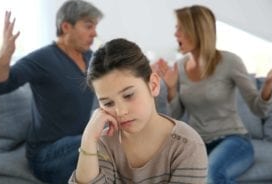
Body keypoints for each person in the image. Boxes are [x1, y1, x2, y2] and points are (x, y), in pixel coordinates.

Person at [152, 5, 272, 183]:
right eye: (176, 28)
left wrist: (268, 86)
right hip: (197, 143)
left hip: (234, 140)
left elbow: (259, 110)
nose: (175, 34)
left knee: (211, 174)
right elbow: (177, 117)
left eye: (180, 28)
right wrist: (171, 88)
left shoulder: (230, 62)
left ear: (197, 30)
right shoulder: (179, 67)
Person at [0, 0, 103, 184]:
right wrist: (5, 52)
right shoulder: (43, 59)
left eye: (95, 27)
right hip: (47, 153)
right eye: (88, 26)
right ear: (66, 27)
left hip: (77, 143)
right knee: (103, 145)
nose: (94, 33)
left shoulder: (89, 57)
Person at [68, 38, 208, 184]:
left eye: (128, 95)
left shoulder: (187, 145)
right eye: (108, 103)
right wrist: (88, 139)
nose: (120, 112)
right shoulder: (104, 143)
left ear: (153, 85)